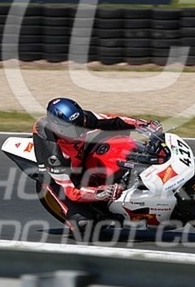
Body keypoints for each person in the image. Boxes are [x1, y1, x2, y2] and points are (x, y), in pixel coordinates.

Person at [32, 97, 162, 232]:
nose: (80, 131)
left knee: (115, 132)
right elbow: (71, 191)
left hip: (79, 152)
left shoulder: (80, 119)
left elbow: (112, 119)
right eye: (73, 129)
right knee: (85, 225)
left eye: (80, 124)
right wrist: (101, 192)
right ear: (58, 129)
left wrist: (141, 124)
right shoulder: (52, 152)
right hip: (60, 178)